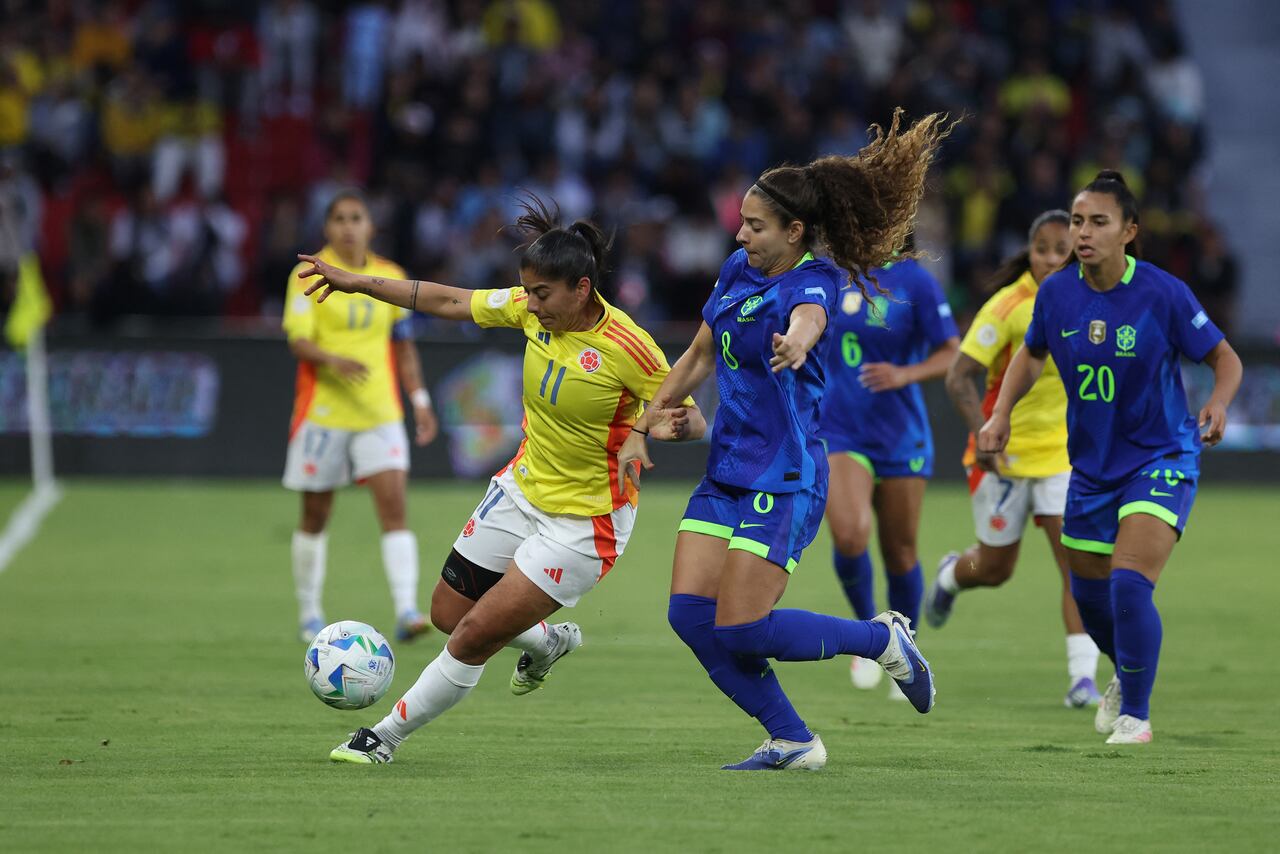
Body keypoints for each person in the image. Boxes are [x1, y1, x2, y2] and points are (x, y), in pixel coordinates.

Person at [297, 196, 700, 764]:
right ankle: (547, 641)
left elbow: (693, 420)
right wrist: (359, 283)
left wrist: (647, 430)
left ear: (581, 289)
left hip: (585, 524)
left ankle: (381, 738)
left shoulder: (630, 349)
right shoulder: (530, 311)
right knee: (446, 614)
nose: (529, 305)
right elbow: (446, 298)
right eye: (526, 292)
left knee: (473, 637)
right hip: (519, 489)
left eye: (542, 294)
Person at [620, 110, 949, 771]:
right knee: (690, 616)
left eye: (757, 226)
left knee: (742, 627)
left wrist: (796, 346)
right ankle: (793, 740)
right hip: (727, 470)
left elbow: (807, 320)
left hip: (786, 474)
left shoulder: (815, 280)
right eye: (741, 222)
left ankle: (879, 639)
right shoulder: (737, 271)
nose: (741, 235)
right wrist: (644, 422)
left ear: (796, 232)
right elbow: (697, 357)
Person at [977, 171, 1242, 744]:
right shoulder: (1057, 292)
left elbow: (1225, 358)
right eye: (1077, 221)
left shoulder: (1162, 292)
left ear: (1129, 230)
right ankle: (1126, 673)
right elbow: (1030, 355)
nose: (1084, 232)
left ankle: (1135, 716)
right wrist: (999, 415)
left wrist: (1219, 404)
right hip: (1092, 468)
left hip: (1162, 456)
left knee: (1128, 583)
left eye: (1098, 221)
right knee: (1089, 594)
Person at [925, 210, 1103, 709]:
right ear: (1029, 251)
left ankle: (1081, 680)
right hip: (1000, 460)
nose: (1051, 259)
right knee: (995, 569)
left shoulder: (1090, 299)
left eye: (1061, 250)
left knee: (1077, 565)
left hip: (1062, 460)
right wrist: (982, 436)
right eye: (1042, 249)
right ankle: (950, 576)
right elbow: (958, 377)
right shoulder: (1008, 305)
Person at [282, 190, 439, 645]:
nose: (349, 226)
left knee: (395, 510)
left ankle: (407, 609)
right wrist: (334, 361)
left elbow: (403, 345)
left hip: (379, 413)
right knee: (315, 514)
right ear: (327, 228)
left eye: (357, 218)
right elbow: (297, 340)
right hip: (323, 414)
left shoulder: (390, 276)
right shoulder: (306, 272)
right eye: (339, 219)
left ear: (371, 226)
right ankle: (310, 613)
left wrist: (421, 400)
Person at [818, 251, 958, 696]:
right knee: (850, 534)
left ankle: (906, 649)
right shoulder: (825, 275)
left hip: (900, 434)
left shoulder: (914, 281)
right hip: (839, 429)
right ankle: (870, 639)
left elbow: (952, 353)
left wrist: (905, 374)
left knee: (899, 551)